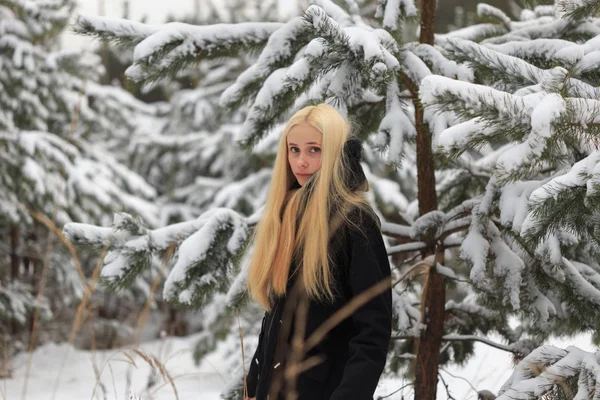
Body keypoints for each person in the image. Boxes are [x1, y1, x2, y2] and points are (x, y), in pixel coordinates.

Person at [244, 103, 392, 400]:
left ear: (336, 153)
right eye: (294, 150)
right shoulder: (285, 215)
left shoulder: (355, 222)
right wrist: (253, 385)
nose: (301, 162)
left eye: (314, 150)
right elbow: (277, 318)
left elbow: (373, 333)